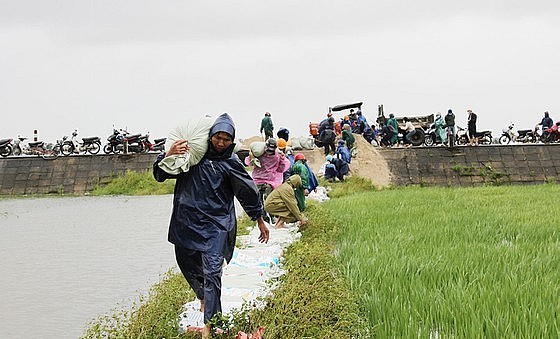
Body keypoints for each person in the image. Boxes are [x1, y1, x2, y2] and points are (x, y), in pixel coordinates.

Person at [153, 113, 270, 338]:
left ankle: (210, 327)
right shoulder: (193, 156)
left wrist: (259, 220)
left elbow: (247, 192)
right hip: (187, 221)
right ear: (211, 136)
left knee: (212, 273)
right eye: (217, 137)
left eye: (226, 139)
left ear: (232, 141)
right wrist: (169, 154)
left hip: (217, 226)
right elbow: (160, 175)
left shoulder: (230, 163)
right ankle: (204, 298)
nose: (220, 143)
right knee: (185, 261)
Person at [244, 138, 290, 224]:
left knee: (260, 200)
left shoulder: (261, 154)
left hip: (260, 181)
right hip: (269, 182)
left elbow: (248, 162)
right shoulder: (273, 155)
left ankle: (265, 218)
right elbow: (281, 169)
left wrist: (251, 157)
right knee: (269, 200)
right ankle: (268, 218)